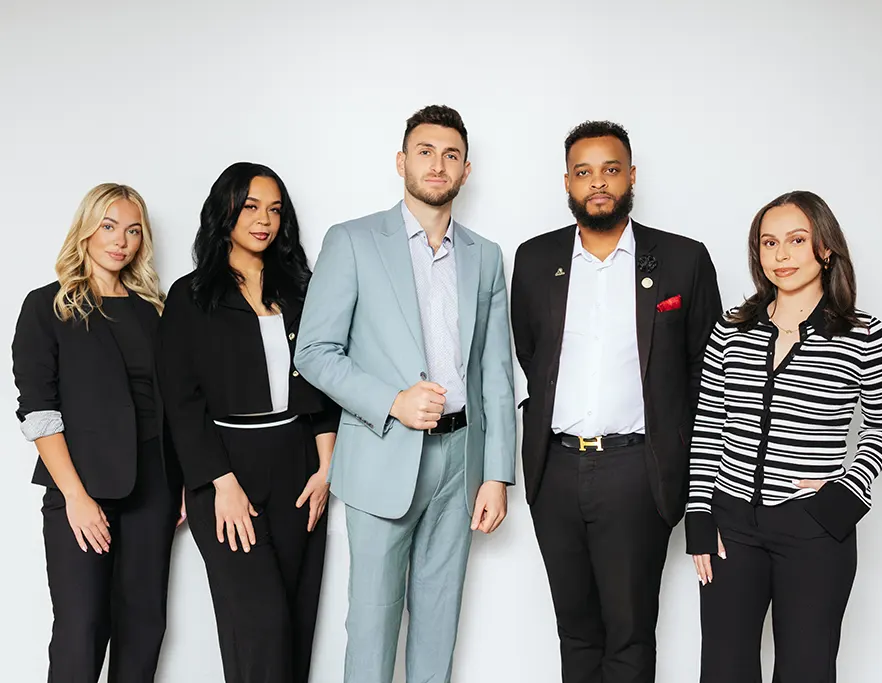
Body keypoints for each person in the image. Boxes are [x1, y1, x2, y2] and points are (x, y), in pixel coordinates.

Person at [294, 104, 516, 683]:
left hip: (461, 463)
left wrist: (497, 473)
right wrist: (392, 401)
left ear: (466, 169)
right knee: (372, 625)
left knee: (439, 626)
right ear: (401, 162)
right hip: (382, 453)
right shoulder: (352, 241)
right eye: (425, 152)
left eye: (450, 155)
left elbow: (495, 371)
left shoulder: (485, 256)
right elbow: (313, 351)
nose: (437, 165)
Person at [511, 120, 721, 683]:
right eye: (583, 172)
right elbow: (532, 355)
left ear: (631, 176)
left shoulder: (682, 259)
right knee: (576, 633)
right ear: (567, 182)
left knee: (628, 635)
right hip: (555, 469)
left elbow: (706, 373)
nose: (597, 182)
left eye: (610, 169)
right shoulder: (535, 259)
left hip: (637, 470)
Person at [686, 190, 882, 683]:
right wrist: (699, 512)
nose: (781, 255)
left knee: (806, 670)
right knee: (723, 670)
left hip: (813, 528)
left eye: (797, 240)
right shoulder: (731, 329)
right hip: (731, 528)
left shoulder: (865, 336)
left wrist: (847, 490)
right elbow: (708, 425)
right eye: (769, 243)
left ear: (825, 248)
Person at [156, 162, 339, 683]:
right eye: (252, 207)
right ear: (226, 211)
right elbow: (181, 401)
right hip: (226, 470)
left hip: (300, 466)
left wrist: (326, 468)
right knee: (259, 626)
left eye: (275, 210)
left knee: (296, 623)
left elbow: (325, 379)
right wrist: (221, 484)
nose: (264, 220)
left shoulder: (302, 290)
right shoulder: (191, 296)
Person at [12, 183, 183, 682]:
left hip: (153, 488)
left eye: (133, 230)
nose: (120, 241)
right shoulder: (47, 307)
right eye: (109, 226)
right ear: (86, 229)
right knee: (82, 627)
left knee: (144, 627)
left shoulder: (154, 311)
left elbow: (173, 406)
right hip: (80, 488)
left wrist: (181, 485)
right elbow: (39, 411)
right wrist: (75, 497)